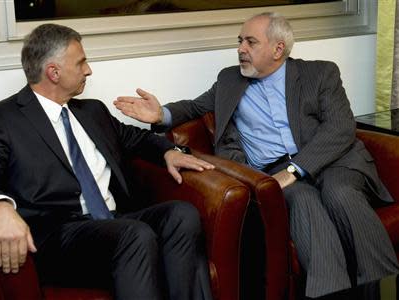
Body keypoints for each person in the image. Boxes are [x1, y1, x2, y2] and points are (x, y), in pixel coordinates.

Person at [114, 12, 399, 299]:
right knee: (303, 200)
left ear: (278, 49)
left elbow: (340, 128)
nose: (241, 49)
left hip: (334, 160)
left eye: (250, 42)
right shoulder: (229, 80)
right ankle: (332, 293)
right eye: (240, 41)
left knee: (340, 193)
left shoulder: (321, 73)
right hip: (273, 171)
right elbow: (194, 107)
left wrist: (295, 170)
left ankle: (382, 286)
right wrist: (160, 113)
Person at [0, 23, 215, 300]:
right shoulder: (3, 118)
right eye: (81, 63)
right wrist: (0, 208)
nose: (88, 70)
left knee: (181, 215)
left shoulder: (92, 111)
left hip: (116, 221)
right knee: (134, 234)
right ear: (53, 72)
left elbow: (135, 138)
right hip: (60, 235)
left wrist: (169, 151)